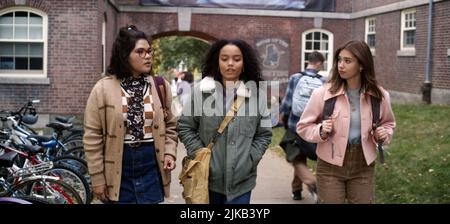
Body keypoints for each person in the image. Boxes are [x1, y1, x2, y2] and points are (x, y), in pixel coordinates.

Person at [83, 25, 178, 204]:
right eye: (140, 52)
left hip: (152, 164)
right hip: (119, 166)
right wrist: (97, 178)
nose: (148, 56)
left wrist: (169, 153)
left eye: (149, 51)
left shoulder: (159, 86)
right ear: (124, 55)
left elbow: (171, 126)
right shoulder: (102, 89)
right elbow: (92, 137)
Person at [297, 40, 396, 203]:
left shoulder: (380, 96)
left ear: (362, 65)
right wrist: (321, 130)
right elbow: (303, 126)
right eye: (339, 60)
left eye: (347, 61)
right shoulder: (322, 93)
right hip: (330, 165)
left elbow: (388, 123)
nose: (340, 65)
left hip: (363, 165)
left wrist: (385, 133)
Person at [177, 39, 272, 204]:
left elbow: (264, 134)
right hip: (207, 179)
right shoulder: (201, 93)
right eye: (224, 59)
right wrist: (199, 154)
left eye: (236, 59)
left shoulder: (257, 95)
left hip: (242, 182)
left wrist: (250, 160)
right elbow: (185, 126)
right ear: (217, 61)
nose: (230, 64)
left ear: (244, 63)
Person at [279, 51, 325, 201]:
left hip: (295, 126)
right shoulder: (323, 81)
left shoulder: (295, 78)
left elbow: (287, 102)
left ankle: (312, 184)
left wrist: (282, 117)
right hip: (314, 128)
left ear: (309, 61)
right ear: (318, 63)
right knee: (301, 158)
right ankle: (296, 191)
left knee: (296, 158)